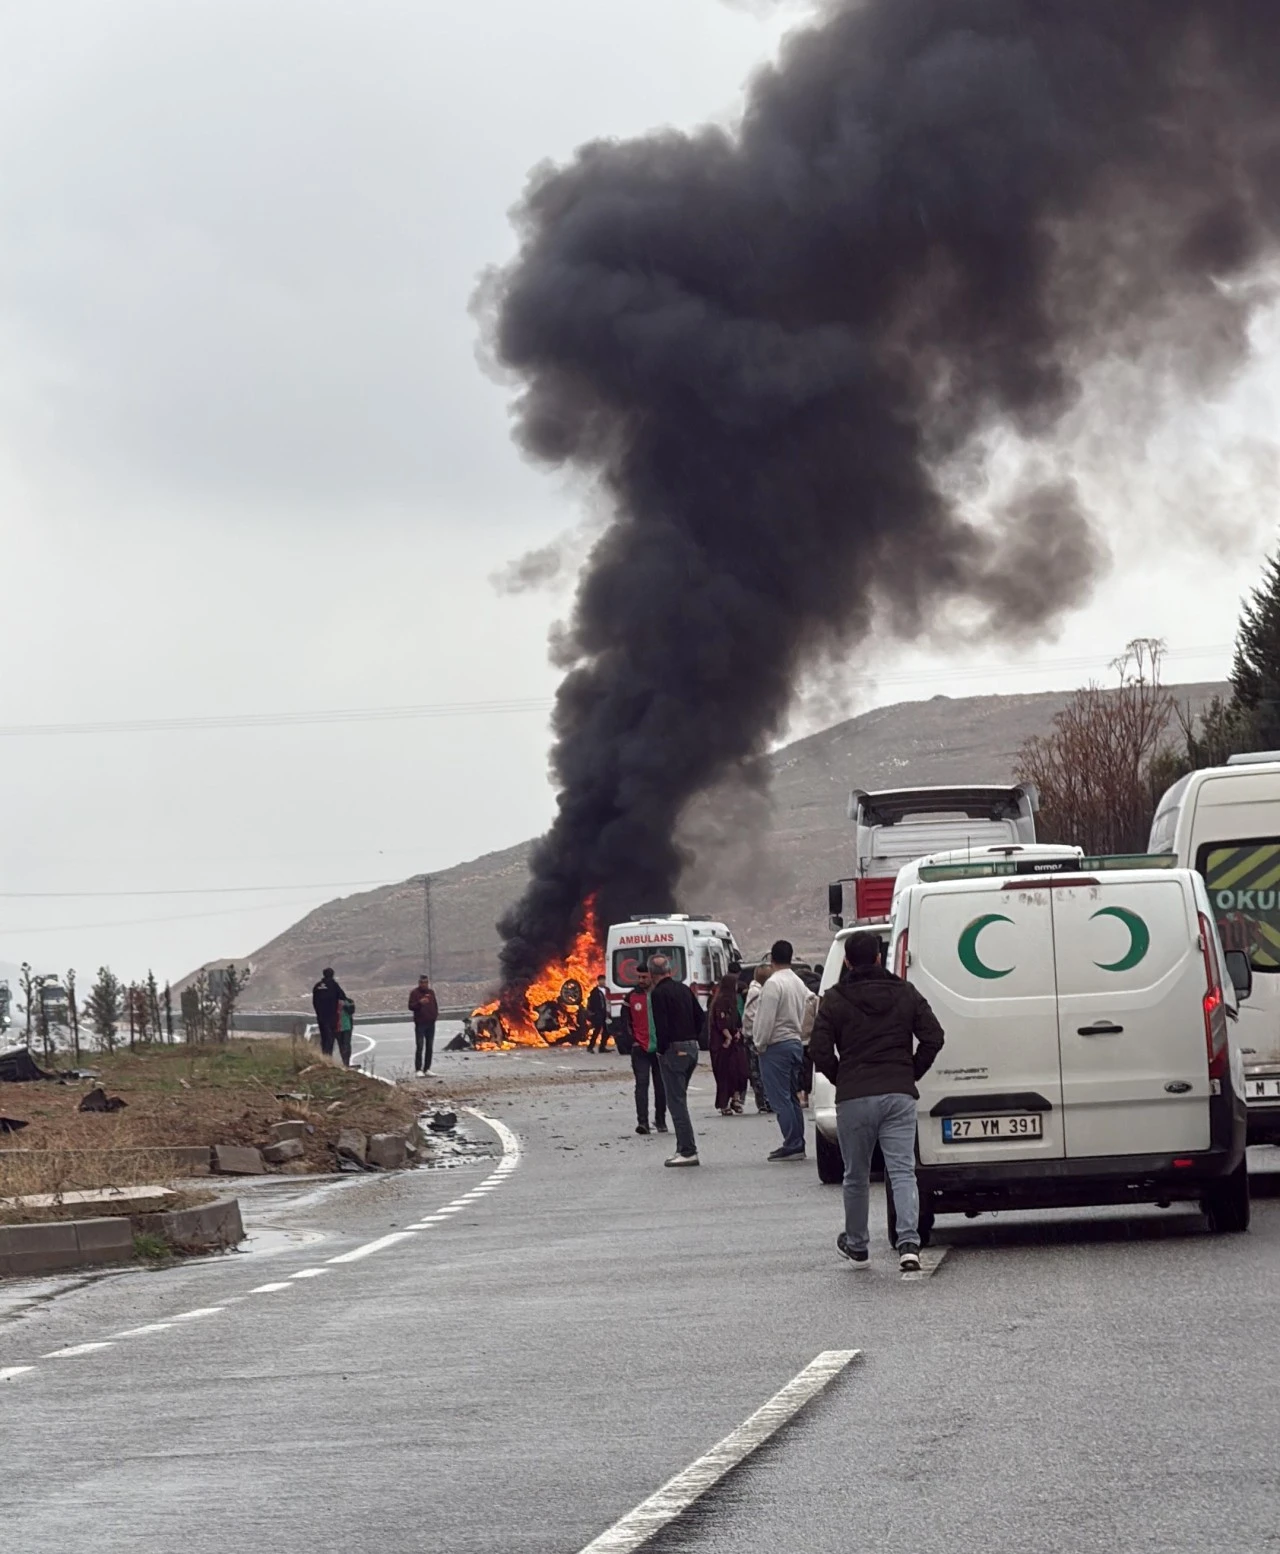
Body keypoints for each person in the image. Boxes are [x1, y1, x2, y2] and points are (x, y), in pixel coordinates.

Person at [810, 930, 945, 1274]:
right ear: (878, 958)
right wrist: (910, 1071)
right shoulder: (906, 993)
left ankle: (857, 1245)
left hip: (855, 1096)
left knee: (855, 1175)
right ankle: (909, 1244)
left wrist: (842, 1077)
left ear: (847, 961)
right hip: (898, 1093)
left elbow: (819, 1051)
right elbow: (934, 1036)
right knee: (901, 1170)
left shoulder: (835, 999)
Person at [751, 939, 816, 1162]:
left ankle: (792, 1144)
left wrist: (759, 1044)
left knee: (779, 1098)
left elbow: (765, 1019)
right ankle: (798, 1140)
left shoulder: (773, 984)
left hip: (775, 1045)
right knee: (792, 1097)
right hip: (795, 1042)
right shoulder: (797, 981)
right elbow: (812, 1000)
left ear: (771, 959)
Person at [648, 953, 704, 1166]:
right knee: (679, 1097)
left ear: (652, 974)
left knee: (676, 1101)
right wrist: (692, 1037)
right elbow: (700, 1017)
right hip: (691, 1048)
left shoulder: (658, 993)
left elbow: (661, 1025)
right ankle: (684, 1148)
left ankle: (688, 1150)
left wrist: (662, 1050)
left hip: (674, 1050)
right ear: (670, 971)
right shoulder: (684, 989)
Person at [626, 966, 667, 1136]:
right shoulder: (631, 997)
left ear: (652, 976)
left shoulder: (660, 994)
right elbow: (625, 1022)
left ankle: (660, 1120)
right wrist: (632, 1041)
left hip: (659, 1048)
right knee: (641, 1084)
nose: (641, 980)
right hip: (640, 1048)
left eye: (644, 977)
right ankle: (642, 1121)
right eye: (639, 977)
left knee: (661, 1085)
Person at [708, 973, 749, 1115]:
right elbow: (721, 1022)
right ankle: (723, 1103)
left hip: (735, 1043)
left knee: (740, 1072)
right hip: (722, 1044)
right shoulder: (720, 1001)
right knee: (725, 1074)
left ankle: (736, 1099)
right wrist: (728, 1037)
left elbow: (737, 1020)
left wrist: (738, 1032)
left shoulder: (733, 1001)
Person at [740, 965, 772, 1113]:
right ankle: (764, 1101)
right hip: (755, 1036)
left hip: (753, 1035)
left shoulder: (755, 991)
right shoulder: (757, 993)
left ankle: (765, 1100)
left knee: (759, 1071)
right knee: (758, 1071)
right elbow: (752, 1016)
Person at [311, 967, 347, 1059]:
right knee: (331, 1037)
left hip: (321, 1016)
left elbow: (314, 1001)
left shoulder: (317, 986)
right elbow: (342, 997)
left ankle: (325, 1056)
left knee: (324, 1037)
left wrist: (318, 1012)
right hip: (332, 1016)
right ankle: (329, 1058)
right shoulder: (333, 985)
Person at [409, 975, 439, 1075]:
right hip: (420, 1023)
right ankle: (418, 1069)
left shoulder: (431, 992)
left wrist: (434, 1016)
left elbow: (435, 1005)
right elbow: (411, 1006)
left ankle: (427, 1068)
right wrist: (420, 1003)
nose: (424, 984)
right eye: (422, 982)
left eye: (426, 982)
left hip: (431, 1023)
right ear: (419, 983)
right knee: (420, 1046)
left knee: (429, 1046)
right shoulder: (414, 993)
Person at [585, 974, 611, 1053]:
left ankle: (602, 1047)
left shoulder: (608, 990)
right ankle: (590, 1047)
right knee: (597, 1030)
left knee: (607, 1030)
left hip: (606, 1013)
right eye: (601, 980)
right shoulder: (594, 991)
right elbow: (592, 1003)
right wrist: (594, 1013)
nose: (603, 982)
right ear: (598, 981)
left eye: (604, 980)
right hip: (598, 1014)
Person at [337, 996, 356, 1068]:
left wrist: (345, 1005)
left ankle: (346, 1063)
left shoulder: (348, 1001)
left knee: (346, 1044)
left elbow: (351, 1011)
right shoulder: (331, 1002)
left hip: (347, 1026)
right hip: (337, 1027)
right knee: (341, 1045)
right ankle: (344, 1062)